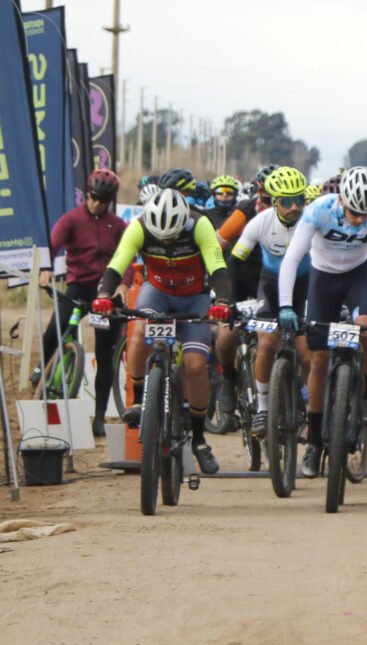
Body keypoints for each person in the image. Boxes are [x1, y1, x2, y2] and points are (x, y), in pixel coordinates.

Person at [278, 167, 367, 478]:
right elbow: (291, 259)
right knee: (318, 359)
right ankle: (315, 442)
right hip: (322, 279)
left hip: (358, 277)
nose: (358, 220)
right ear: (342, 200)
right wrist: (286, 306)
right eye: (354, 212)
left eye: (364, 214)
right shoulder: (318, 211)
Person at [91, 188, 233, 474]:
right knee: (141, 334)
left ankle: (200, 439)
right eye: (161, 237)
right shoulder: (139, 227)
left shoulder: (200, 224)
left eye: (172, 236)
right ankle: (140, 401)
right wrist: (104, 294)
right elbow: (117, 264)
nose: (166, 241)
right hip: (156, 293)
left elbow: (218, 266)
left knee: (195, 367)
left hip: (194, 297)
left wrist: (224, 301)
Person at [37, 169, 129, 437]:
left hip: (106, 291)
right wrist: (46, 268)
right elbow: (51, 244)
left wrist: (123, 283)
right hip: (78, 285)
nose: (96, 203)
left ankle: (99, 417)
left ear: (110, 200)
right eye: (92, 197)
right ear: (86, 193)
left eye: (102, 200)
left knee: (105, 354)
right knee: (56, 327)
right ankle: (40, 369)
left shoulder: (118, 225)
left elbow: (128, 254)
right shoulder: (72, 219)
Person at [229, 167, 313, 438]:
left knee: (308, 352)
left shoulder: (312, 222)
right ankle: (263, 409)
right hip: (271, 286)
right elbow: (235, 260)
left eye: (300, 199)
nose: (295, 207)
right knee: (266, 343)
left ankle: (314, 410)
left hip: (305, 288)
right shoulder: (260, 222)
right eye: (287, 201)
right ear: (274, 201)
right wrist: (227, 300)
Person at [213, 164, 278, 418]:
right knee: (228, 333)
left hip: (271, 279)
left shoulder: (294, 214)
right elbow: (217, 246)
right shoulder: (245, 211)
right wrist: (216, 284)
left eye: (276, 200)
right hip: (240, 277)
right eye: (265, 199)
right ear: (257, 194)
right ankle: (228, 378)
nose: (270, 205)